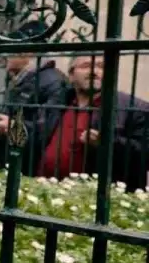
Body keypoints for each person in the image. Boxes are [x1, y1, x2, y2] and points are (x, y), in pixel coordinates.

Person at [35, 55, 149, 190]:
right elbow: (35, 139)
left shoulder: (135, 108)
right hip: (43, 191)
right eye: (86, 66)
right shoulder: (57, 103)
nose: (94, 71)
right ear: (71, 75)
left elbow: (144, 154)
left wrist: (108, 142)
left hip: (95, 199)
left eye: (101, 67)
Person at [0, 21, 68, 170]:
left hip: (27, 166)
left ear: (28, 51)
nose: (6, 55)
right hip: (10, 161)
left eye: (12, 49)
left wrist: (11, 127)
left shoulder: (52, 81)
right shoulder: (24, 79)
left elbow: (46, 131)